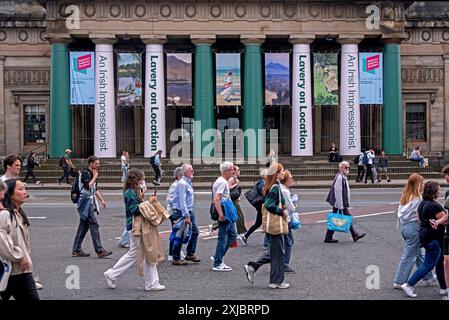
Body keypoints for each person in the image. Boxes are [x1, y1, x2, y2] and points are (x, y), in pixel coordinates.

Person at [104, 169, 166, 291]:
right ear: (137, 180)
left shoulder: (131, 191)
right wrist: (149, 202)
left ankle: (151, 283)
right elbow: (135, 210)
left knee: (141, 252)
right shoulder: (130, 192)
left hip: (135, 226)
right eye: (142, 179)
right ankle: (112, 274)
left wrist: (145, 199)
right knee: (137, 252)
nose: (143, 182)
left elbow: (137, 207)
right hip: (135, 226)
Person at [244, 163, 290, 289]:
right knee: (279, 253)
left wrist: (283, 204)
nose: (283, 172)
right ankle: (276, 281)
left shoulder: (273, 186)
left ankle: (257, 269)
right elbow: (269, 204)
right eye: (281, 171)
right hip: (275, 224)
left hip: (272, 225)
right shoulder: (275, 187)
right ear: (276, 174)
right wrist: (282, 212)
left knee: (275, 252)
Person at [401, 181, 448, 298]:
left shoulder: (422, 203)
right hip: (434, 237)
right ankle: (408, 285)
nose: (440, 192)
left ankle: (443, 288)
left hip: (424, 235)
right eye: (438, 190)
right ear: (433, 192)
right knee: (428, 265)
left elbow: (418, 218)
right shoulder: (434, 205)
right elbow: (446, 220)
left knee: (439, 262)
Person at [393, 174, 436, 289]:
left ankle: (429, 277)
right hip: (414, 228)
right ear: (417, 184)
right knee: (409, 255)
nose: (423, 184)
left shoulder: (405, 196)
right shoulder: (418, 199)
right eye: (422, 182)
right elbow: (420, 215)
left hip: (405, 227)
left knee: (418, 254)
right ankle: (399, 280)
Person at [0, 179, 39, 300]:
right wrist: (19, 256)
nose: (25, 192)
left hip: (22, 271)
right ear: (10, 194)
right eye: (21, 189)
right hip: (10, 271)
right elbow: (1, 240)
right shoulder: (6, 215)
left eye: (24, 189)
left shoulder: (19, 213)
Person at [72, 156, 112, 258]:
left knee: (84, 226)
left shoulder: (93, 173)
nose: (98, 165)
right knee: (94, 225)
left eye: (99, 163)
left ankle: (76, 249)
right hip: (85, 202)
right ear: (91, 163)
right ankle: (99, 250)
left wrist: (102, 200)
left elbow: (94, 189)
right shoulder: (86, 173)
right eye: (97, 163)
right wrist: (94, 177)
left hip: (89, 201)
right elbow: (88, 186)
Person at [324, 161, 366, 243]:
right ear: (341, 168)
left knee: (336, 219)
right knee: (345, 217)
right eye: (346, 167)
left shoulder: (342, 176)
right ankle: (355, 235)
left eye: (348, 167)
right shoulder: (340, 178)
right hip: (339, 203)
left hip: (340, 203)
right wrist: (340, 206)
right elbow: (338, 192)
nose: (347, 169)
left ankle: (328, 237)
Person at [171, 164, 200, 265]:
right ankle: (176, 257)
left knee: (195, 232)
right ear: (185, 172)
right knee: (180, 235)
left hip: (188, 211)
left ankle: (190, 253)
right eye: (191, 170)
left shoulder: (187, 183)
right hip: (182, 212)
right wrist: (186, 215)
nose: (193, 172)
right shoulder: (182, 184)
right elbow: (182, 201)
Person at [211, 162, 238, 272]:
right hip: (224, 211)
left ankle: (219, 256)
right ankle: (218, 261)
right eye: (232, 169)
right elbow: (217, 199)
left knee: (232, 234)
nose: (233, 171)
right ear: (226, 171)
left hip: (225, 210)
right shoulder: (222, 182)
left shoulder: (221, 181)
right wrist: (221, 214)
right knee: (223, 237)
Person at [240, 169, 267, 245]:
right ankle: (267, 243)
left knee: (258, 223)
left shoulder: (260, 181)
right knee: (266, 223)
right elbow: (263, 193)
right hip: (262, 205)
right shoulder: (263, 183)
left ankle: (245, 236)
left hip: (259, 205)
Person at [279, 170, 299, 274]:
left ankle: (280, 262)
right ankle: (284, 264)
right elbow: (291, 208)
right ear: (285, 180)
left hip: (285, 218)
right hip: (286, 218)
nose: (292, 180)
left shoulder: (283, 189)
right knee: (288, 242)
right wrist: (294, 204)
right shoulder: (285, 191)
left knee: (287, 241)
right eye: (290, 178)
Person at [166, 167, 185, 261]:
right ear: (179, 176)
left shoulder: (179, 185)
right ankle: (171, 253)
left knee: (178, 232)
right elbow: (169, 199)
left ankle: (176, 251)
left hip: (176, 211)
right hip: (174, 212)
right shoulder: (175, 186)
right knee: (176, 232)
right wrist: (178, 205)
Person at [229, 166, 246, 246]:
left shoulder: (236, 180)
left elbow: (236, 190)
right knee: (238, 216)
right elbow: (228, 188)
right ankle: (241, 233)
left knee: (235, 216)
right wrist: (235, 184)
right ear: (234, 171)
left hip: (235, 199)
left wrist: (238, 196)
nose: (239, 171)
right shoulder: (232, 179)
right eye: (238, 170)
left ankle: (214, 226)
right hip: (231, 200)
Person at [441, 164, 449, 300]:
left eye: (448, 174)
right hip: (448, 231)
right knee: (446, 261)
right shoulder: (448, 193)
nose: (446, 177)